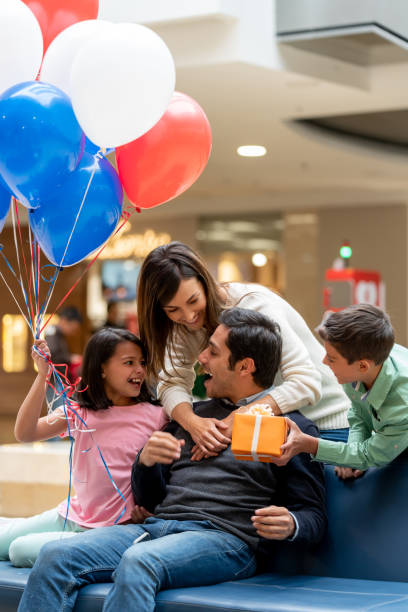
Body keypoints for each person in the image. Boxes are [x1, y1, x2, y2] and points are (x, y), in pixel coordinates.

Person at [17, 308, 326, 612]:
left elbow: (313, 516)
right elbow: (152, 497)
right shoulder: (192, 416)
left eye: (213, 352)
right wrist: (147, 462)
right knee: (54, 556)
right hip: (157, 527)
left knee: (141, 562)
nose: (201, 358)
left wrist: (292, 524)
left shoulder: (290, 428)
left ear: (245, 366)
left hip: (225, 540)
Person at [137, 241, 350, 457]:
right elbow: (172, 382)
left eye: (193, 301)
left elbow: (305, 382)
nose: (189, 316)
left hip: (327, 426)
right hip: (274, 432)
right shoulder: (182, 327)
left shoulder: (255, 305)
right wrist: (194, 424)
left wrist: (238, 419)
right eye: (173, 310)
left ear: (205, 283)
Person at [0, 328, 167, 568]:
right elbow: (25, 433)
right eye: (129, 363)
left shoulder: (157, 416)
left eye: (142, 362)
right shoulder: (80, 413)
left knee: (19, 550)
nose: (139, 370)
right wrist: (42, 376)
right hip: (71, 515)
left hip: (108, 531)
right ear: (102, 369)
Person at [268, 304, 408, 476]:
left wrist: (310, 444)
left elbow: (370, 455)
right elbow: (358, 414)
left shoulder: (403, 405)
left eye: (332, 358)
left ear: (363, 366)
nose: (324, 362)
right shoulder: (361, 365)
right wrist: (350, 454)